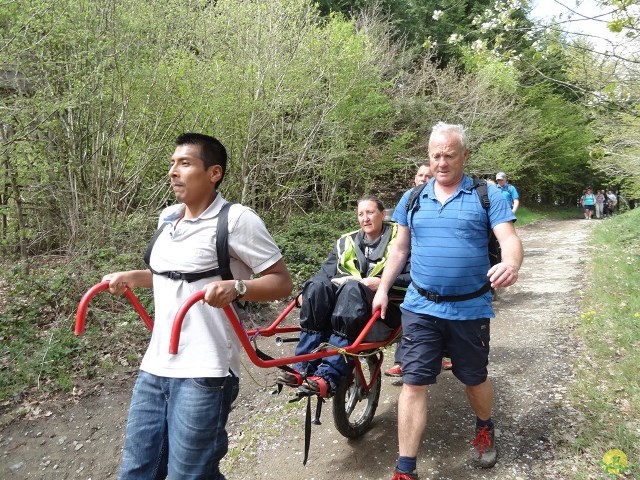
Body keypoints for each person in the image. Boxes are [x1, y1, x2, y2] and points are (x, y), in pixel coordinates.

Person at [102, 133, 293, 480]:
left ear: (214, 172)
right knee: (136, 471)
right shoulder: (168, 219)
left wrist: (238, 287)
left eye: (185, 163)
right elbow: (173, 276)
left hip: (206, 371)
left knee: (189, 474)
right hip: (156, 366)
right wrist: (134, 276)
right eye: (173, 163)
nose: (174, 171)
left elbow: (281, 281)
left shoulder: (236, 220)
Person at [372, 122, 524, 479]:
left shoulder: (487, 194)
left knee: (473, 377)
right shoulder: (412, 198)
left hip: (470, 308)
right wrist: (382, 288)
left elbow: (509, 239)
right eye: (435, 155)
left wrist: (511, 264)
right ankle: (405, 467)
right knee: (413, 381)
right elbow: (400, 249)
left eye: (449, 155)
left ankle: (484, 425)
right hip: (420, 306)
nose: (441, 162)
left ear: (464, 156)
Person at [276, 195, 410, 397]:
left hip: (385, 310)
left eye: (371, 212)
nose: (365, 218)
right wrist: (306, 292)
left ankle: (329, 375)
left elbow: (415, 276)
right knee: (317, 286)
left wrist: (384, 283)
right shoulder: (346, 242)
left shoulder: (402, 239)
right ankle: (303, 366)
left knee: (351, 289)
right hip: (345, 310)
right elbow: (324, 273)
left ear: (383, 214)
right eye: (360, 214)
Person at [384, 164, 453, 379]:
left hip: (432, 266)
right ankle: (403, 360)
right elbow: (397, 239)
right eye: (420, 175)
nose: (423, 179)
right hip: (408, 262)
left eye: (427, 175)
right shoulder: (409, 200)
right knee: (408, 308)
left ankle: (446, 352)